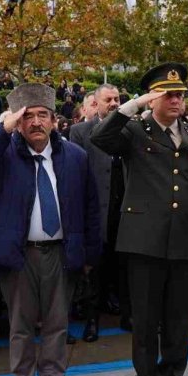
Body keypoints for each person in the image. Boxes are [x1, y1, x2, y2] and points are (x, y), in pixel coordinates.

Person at [0, 83, 100, 376]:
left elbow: (91, 208)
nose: (36, 122)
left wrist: (89, 256)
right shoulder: (3, 154)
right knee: (21, 324)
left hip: (60, 252)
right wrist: (3, 128)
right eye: (28, 117)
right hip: (18, 254)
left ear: (55, 120)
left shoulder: (75, 157)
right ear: (18, 122)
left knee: (57, 323)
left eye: (43, 115)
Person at [90, 63, 188, 376]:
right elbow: (100, 139)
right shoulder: (135, 131)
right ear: (154, 97)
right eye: (169, 94)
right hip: (144, 240)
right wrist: (136, 104)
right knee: (146, 319)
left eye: (180, 94)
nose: (177, 100)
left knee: (178, 318)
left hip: (185, 239)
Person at [69, 83, 125, 340]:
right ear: (97, 103)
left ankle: (128, 315)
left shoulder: (131, 130)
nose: (114, 103)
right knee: (94, 272)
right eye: (108, 100)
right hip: (96, 212)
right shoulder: (80, 131)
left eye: (117, 99)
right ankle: (92, 322)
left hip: (125, 211)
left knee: (125, 269)